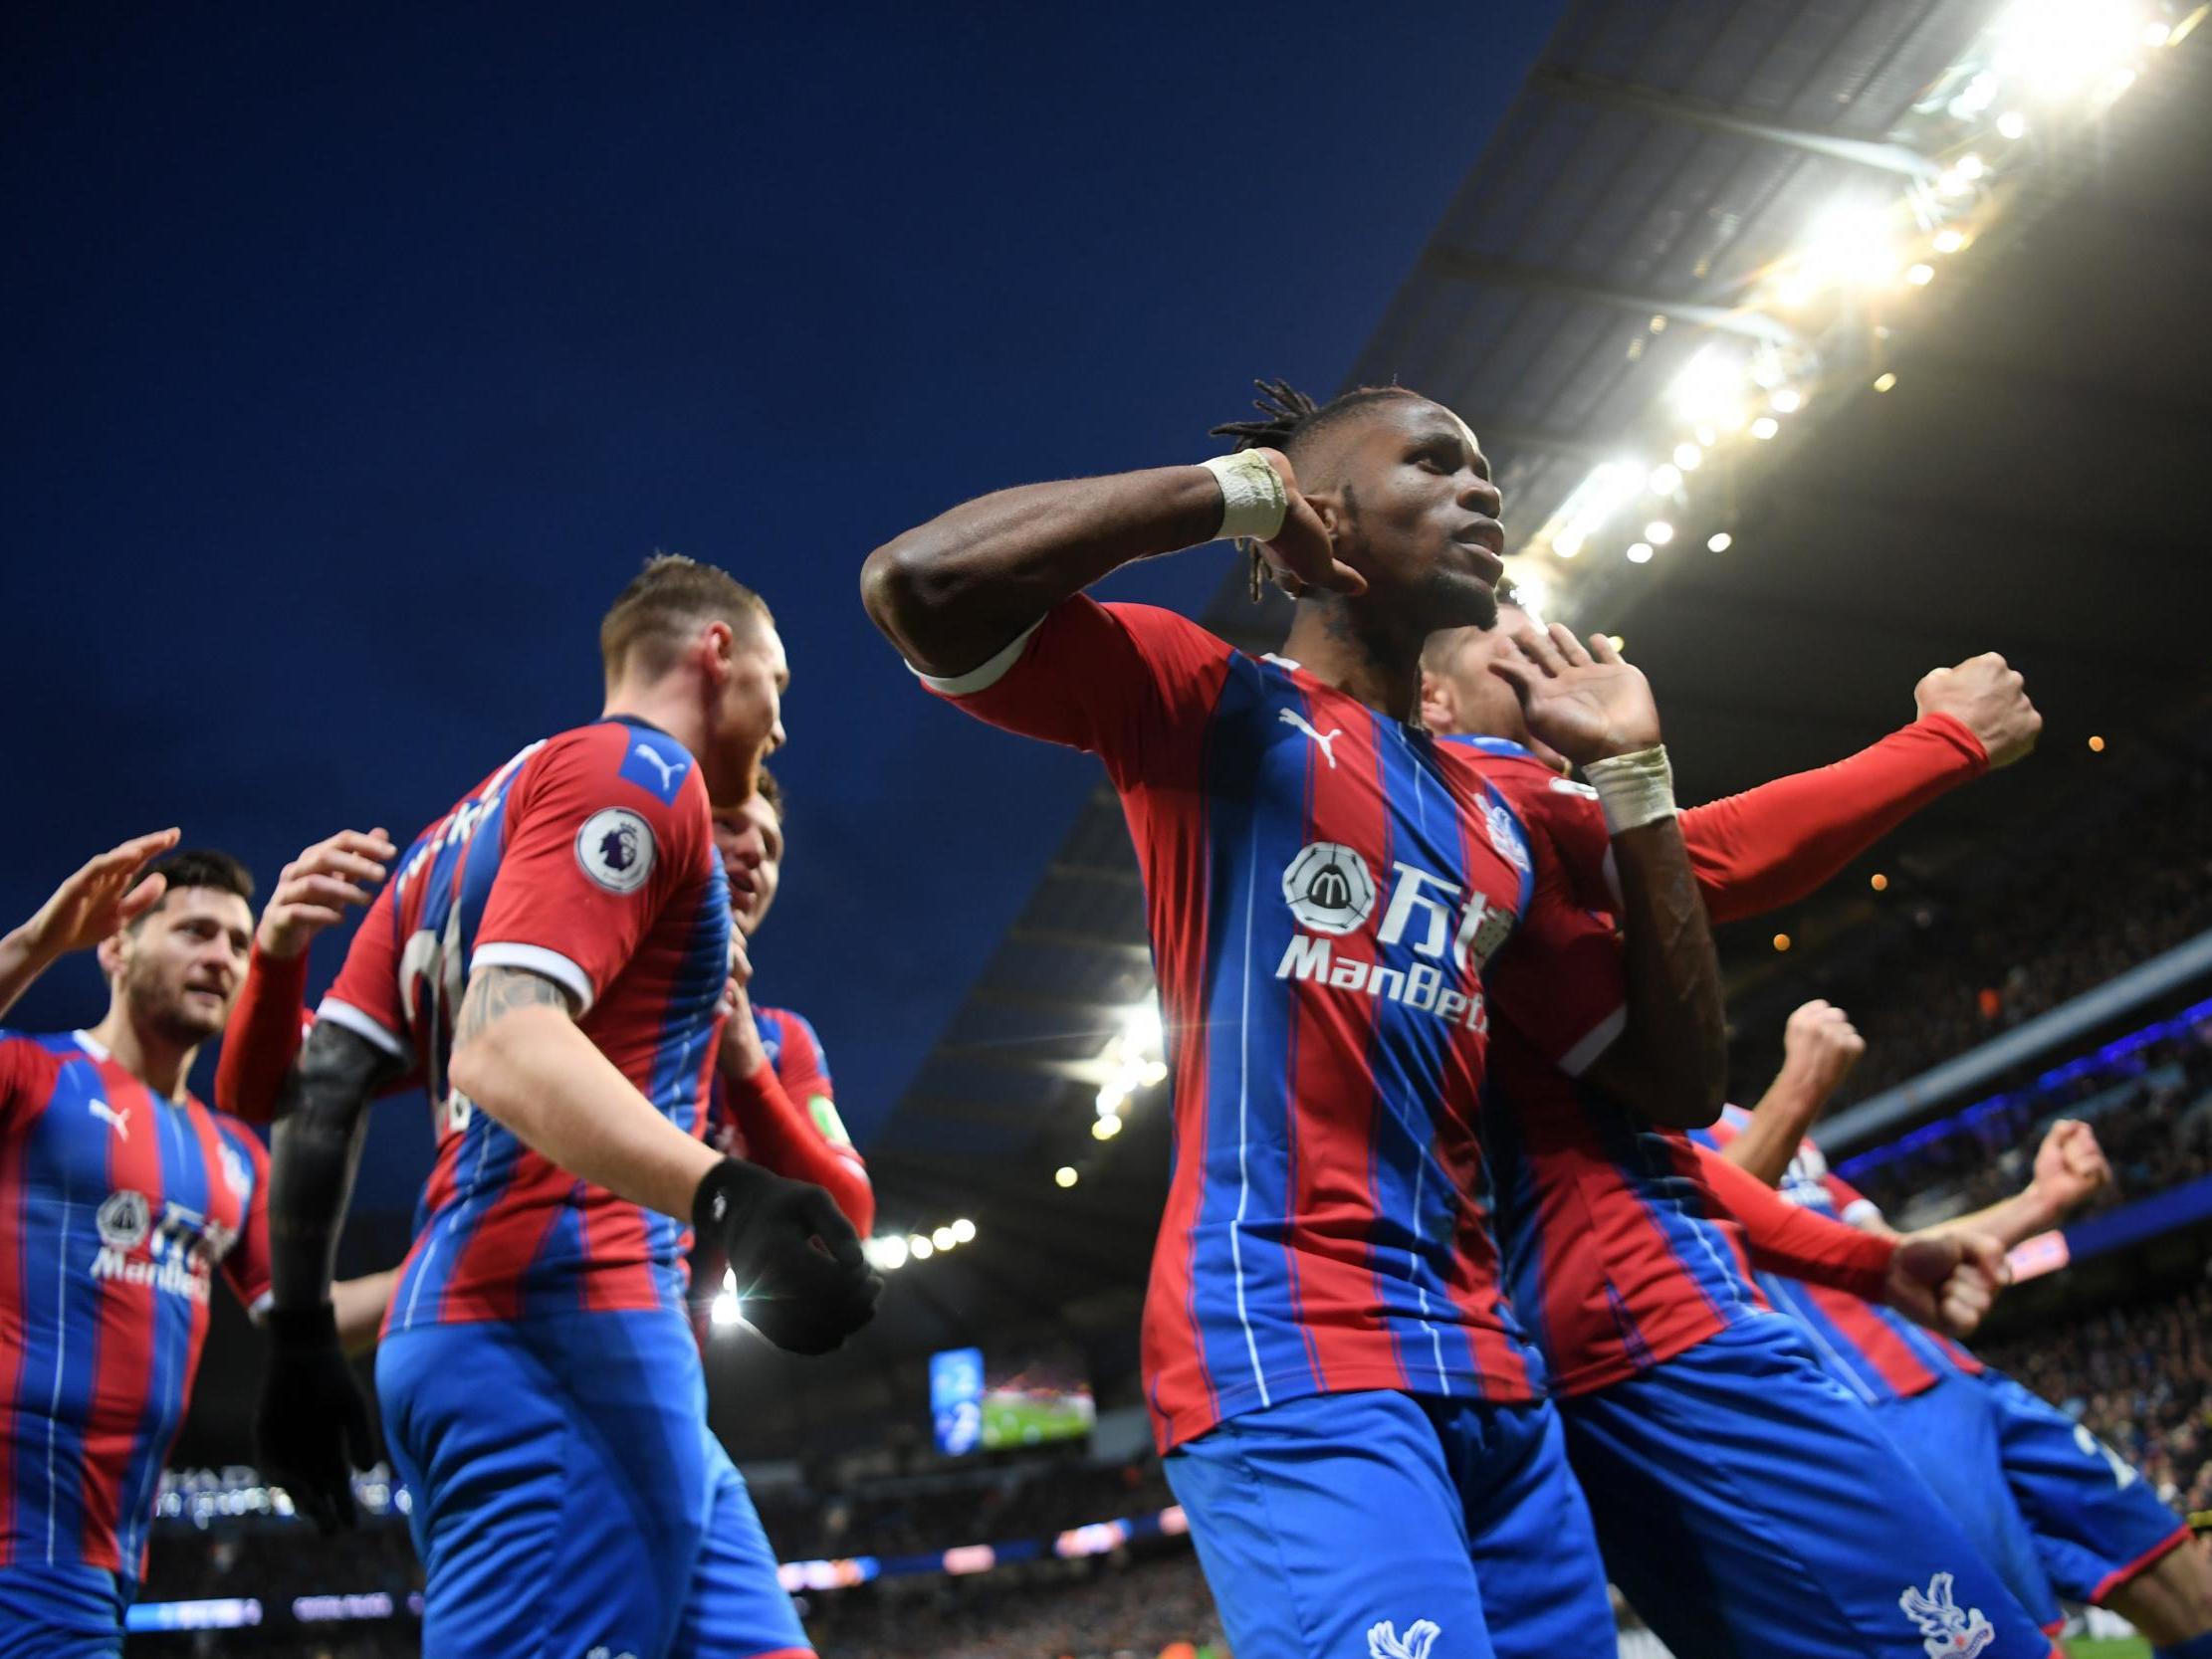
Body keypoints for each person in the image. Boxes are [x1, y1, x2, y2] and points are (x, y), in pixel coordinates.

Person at [863, 378, 1728, 1659]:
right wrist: (1236, 495)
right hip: (1292, 1347)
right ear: (1325, 506)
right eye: (1433, 464)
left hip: (1493, 1376)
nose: (1479, 488)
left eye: (1482, 468)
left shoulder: (1494, 815)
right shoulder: (1209, 701)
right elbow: (918, 583)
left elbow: (1682, 1078)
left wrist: (1633, 785)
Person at [253, 554, 881, 1659]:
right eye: (780, 681)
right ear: (717, 652)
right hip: (552, 1328)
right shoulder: (641, 770)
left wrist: (302, 1334)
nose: (781, 724)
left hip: (557, 1333)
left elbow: (319, 1091)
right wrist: (725, 1193)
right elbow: (502, 1038)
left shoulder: (450, 840)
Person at [1423, 588, 2065, 1658]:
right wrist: (1944, 741)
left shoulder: (1488, 869)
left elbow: (1645, 1160)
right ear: (1432, 695)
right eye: (1503, 622)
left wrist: (1866, 1261)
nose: (1544, 635)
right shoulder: (1479, 797)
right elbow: (1707, 857)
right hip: (1656, 1335)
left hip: (1598, 1337)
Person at [1708, 1002, 2212, 1659]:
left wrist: (2042, 1199)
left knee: (2188, 1587)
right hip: (1878, 1420)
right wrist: (1801, 1082)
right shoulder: (1633, 1151)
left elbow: (1894, 1252)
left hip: (1969, 1380)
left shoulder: (1767, 1127)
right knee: (2015, 1644)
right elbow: (1701, 1230)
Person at [0, 834, 387, 1658]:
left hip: (109, 1556)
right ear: (114, 945)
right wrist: (35, 944)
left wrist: (467, 1253)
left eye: (241, 943)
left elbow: (313, 1321)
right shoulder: (34, 1079)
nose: (223, 957)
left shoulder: (232, 1157)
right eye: (194, 931)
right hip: (18, 1540)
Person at [693, 767, 874, 1338]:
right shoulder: (591, 989)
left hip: (670, 1361)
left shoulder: (781, 1039)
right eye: (727, 824)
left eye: (771, 848)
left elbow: (851, 1215)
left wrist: (746, 1063)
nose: (753, 851)